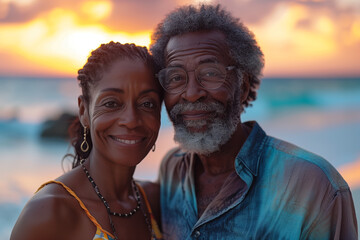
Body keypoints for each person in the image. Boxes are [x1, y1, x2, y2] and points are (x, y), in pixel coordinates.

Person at [150, 4, 358, 239]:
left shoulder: (315, 186)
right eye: (176, 77)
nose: (191, 93)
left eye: (210, 73)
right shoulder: (172, 170)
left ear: (243, 86)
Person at [11, 42, 163, 240]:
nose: (131, 120)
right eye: (111, 103)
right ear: (84, 111)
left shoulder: (152, 200)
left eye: (146, 104)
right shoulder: (50, 213)